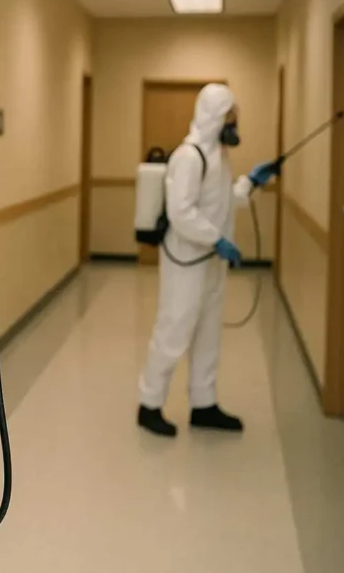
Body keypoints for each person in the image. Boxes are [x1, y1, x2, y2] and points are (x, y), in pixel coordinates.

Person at [136, 83, 279, 438]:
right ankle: (149, 404)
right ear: (217, 115)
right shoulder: (190, 155)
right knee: (174, 330)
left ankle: (204, 403)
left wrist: (250, 184)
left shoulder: (218, 155)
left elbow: (221, 203)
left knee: (208, 334)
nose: (235, 123)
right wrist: (217, 239)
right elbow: (181, 212)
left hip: (211, 261)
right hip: (186, 261)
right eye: (231, 115)